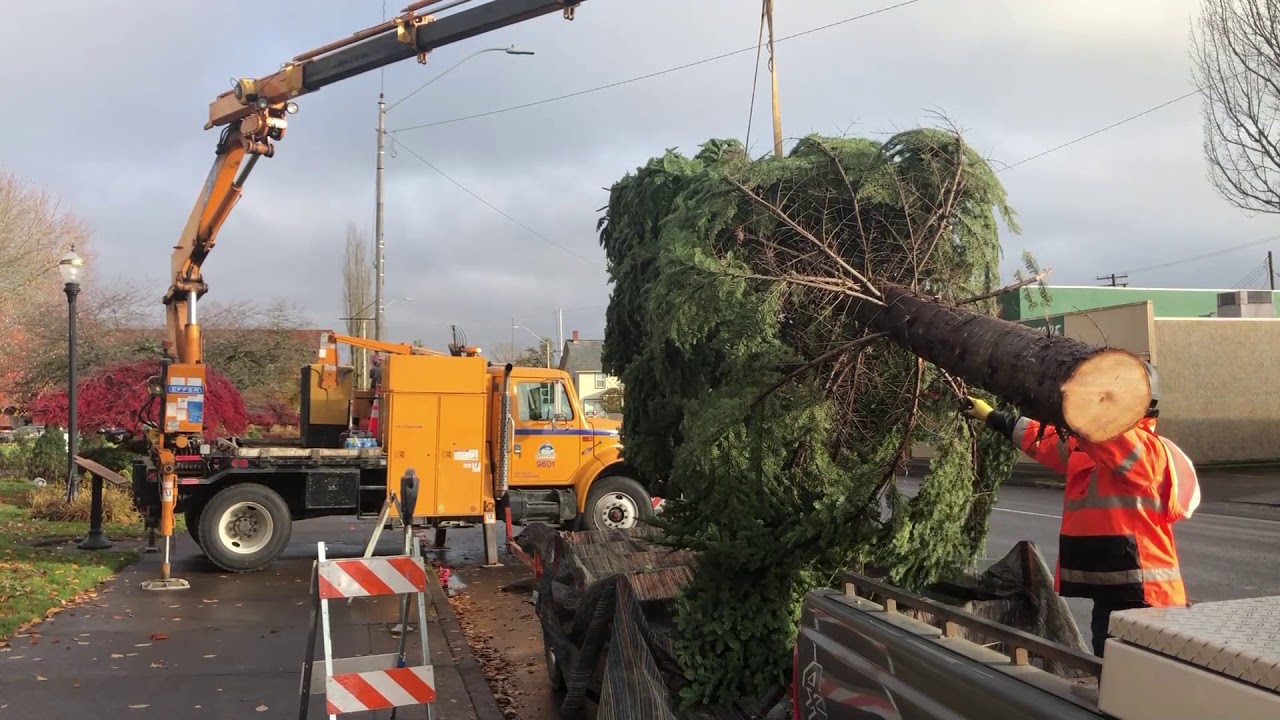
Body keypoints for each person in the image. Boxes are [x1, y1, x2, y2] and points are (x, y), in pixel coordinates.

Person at [963, 364, 1200, 657]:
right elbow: (1045, 441)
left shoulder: (1144, 450)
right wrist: (992, 417)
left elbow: (1111, 439)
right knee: (1111, 670)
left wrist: (1081, 401)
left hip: (1146, 597)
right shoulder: (1092, 444)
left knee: (1133, 677)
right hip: (1114, 590)